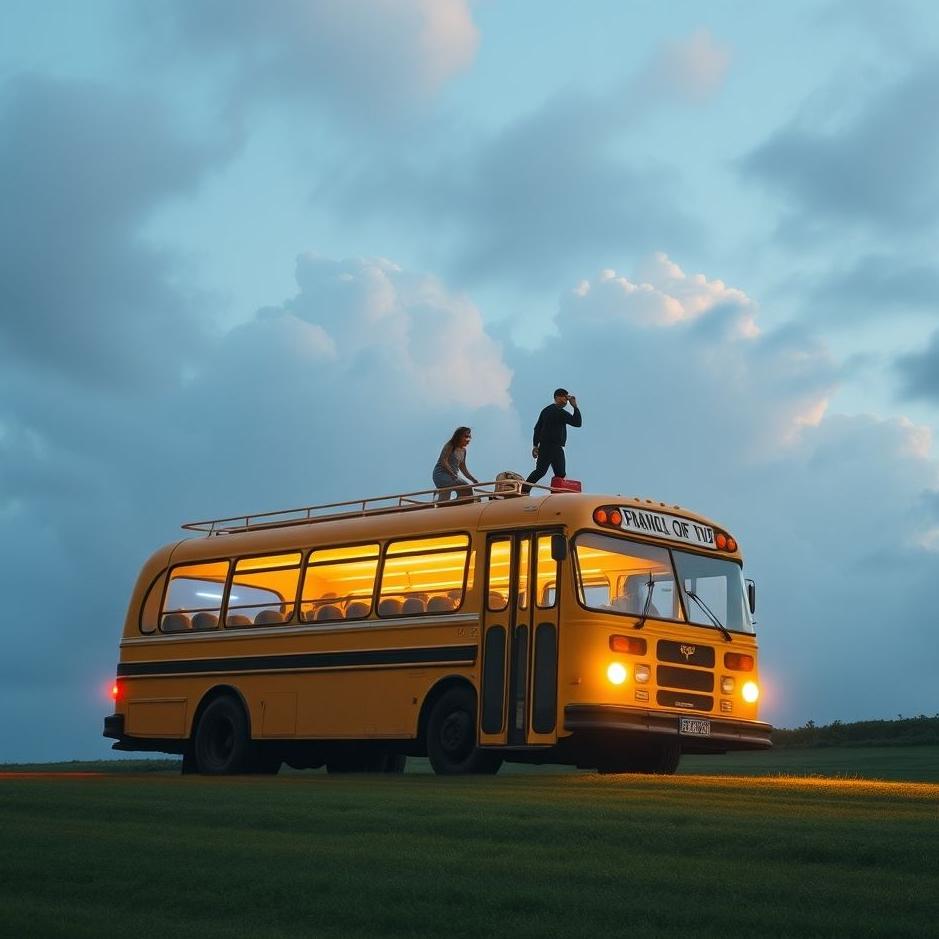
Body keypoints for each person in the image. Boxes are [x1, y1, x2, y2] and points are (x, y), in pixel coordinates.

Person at [526, 388, 582, 488]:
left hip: (553, 447)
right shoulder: (558, 412)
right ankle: (524, 489)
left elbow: (537, 428)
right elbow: (577, 422)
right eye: (564, 398)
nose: (566, 401)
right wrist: (575, 407)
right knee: (542, 471)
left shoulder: (548, 410)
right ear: (557, 398)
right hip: (549, 446)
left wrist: (535, 445)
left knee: (559, 473)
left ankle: (556, 492)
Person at [432, 426, 479, 503]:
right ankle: (438, 499)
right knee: (466, 488)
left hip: (453, 476)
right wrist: (452, 473)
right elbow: (443, 461)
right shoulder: (450, 445)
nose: (468, 439)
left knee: (465, 491)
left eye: (469, 437)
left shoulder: (464, 451)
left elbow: (463, 468)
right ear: (459, 436)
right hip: (441, 474)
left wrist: (473, 479)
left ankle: (443, 501)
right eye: (466, 436)